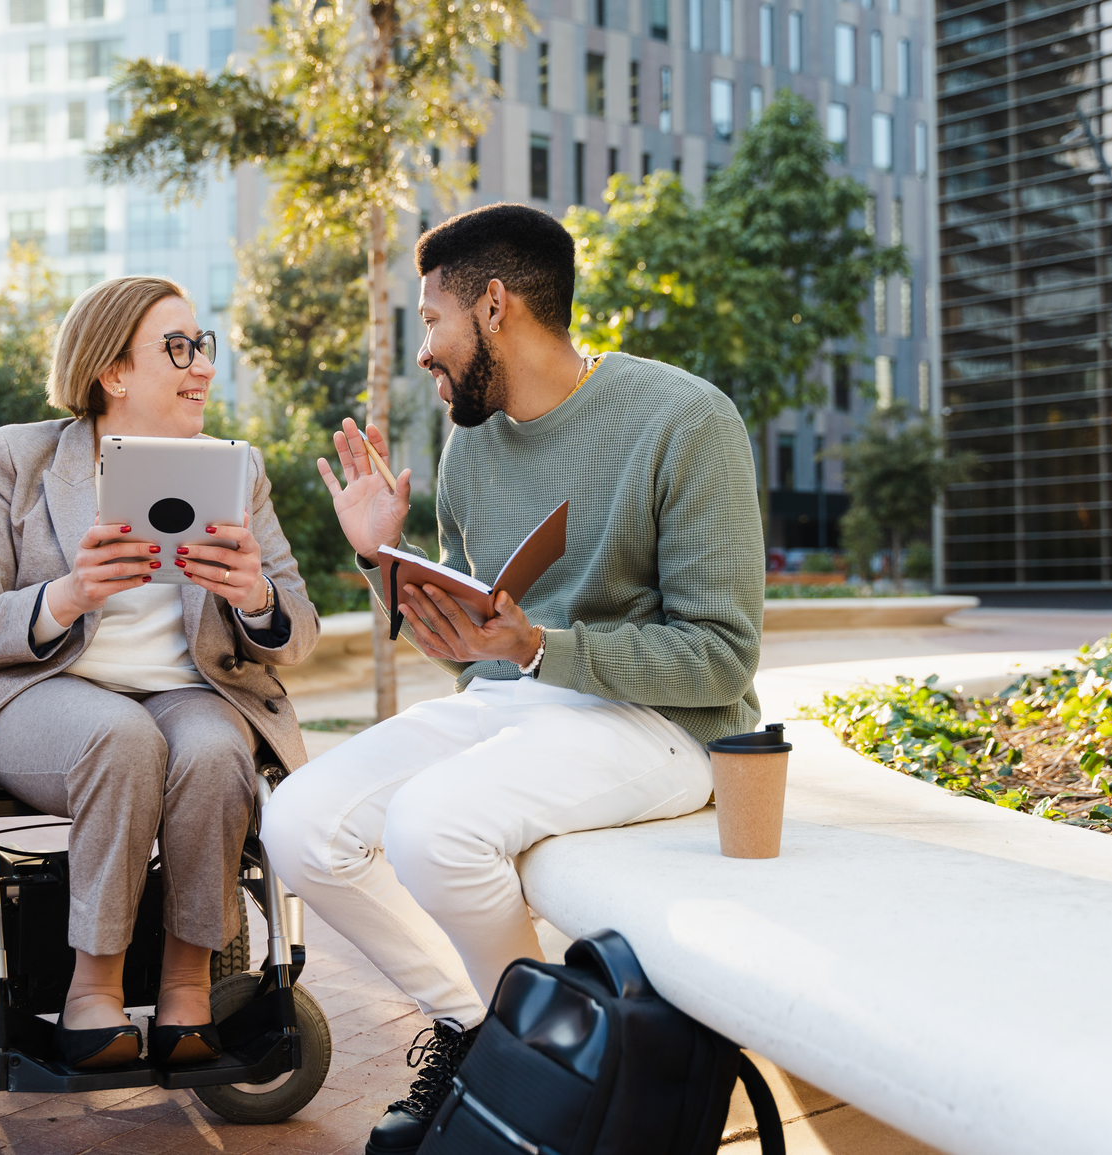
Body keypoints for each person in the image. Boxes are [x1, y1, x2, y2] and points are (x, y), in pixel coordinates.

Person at [260, 203, 763, 1154]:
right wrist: (381, 562)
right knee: (299, 823)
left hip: (662, 721)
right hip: (516, 701)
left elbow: (721, 654)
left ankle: (538, 1088)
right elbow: (468, 645)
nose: (422, 352)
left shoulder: (686, 419)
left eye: (431, 320)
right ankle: (494, 1044)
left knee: (431, 823)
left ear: (493, 306)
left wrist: (541, 649)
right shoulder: (471, 445)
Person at [0, 275, 318, 1070]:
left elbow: (295, 631)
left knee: (212, 750)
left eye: (203, 345)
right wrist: (67, 595)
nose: (201, 365)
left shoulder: (238, 471)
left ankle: (186, 987)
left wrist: (255, 595)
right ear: (113, 371)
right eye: (178, 347)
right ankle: (89, 992)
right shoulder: (14, 460)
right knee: (119, 736)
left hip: (188, 693)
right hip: (34, 695)